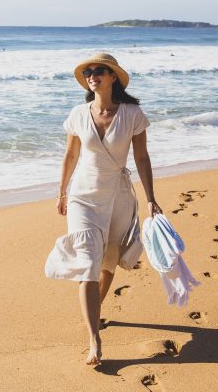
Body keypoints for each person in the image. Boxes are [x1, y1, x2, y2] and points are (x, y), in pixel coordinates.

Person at [44, 52, 162, 366]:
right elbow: (70, 157)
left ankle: (95, 313)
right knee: (87, 263)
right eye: (88, 72)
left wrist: (150, 198)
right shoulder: (78, 114)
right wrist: (61, 191)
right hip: (83, 195)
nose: (92, 75)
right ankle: (94, 339)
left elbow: (142, 159)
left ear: (112, 77)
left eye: (99, 71)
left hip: (118, 197)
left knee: (108, 262)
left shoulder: (133, 114)